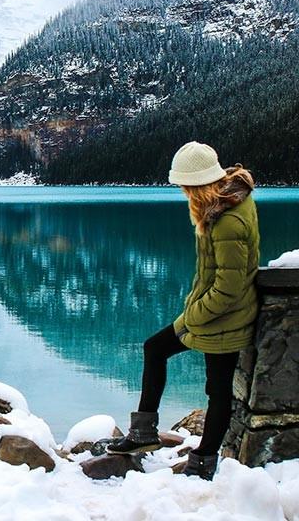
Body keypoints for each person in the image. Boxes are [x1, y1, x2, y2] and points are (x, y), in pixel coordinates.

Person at [107, 142, 260, 480]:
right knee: (155, 348)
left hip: (225, 318)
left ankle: (203, 462)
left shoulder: (228, 221)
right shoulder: (222, 206)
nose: (182, 191)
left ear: (199, 183)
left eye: (185, 185)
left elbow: (229, 288)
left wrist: (193, 316)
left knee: (218, 391)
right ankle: (144, 432)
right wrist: (194, 311)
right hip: (209, 313)